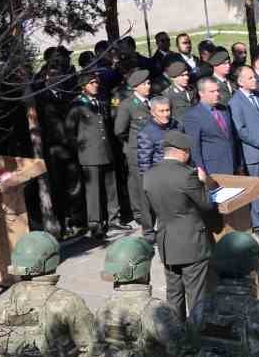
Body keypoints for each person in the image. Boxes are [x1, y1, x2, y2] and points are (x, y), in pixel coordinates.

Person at [142, 130, 221, 319]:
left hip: (167, 242)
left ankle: (175, 336)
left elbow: (146, 211)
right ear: (182, 152)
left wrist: (149, 233)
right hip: (191, 242)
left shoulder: (149, 175)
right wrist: (203, 182)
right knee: (196, 296)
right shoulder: (188, 175)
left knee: (174, 293)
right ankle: (195, 338)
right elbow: (207, 205)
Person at [66, 73, 125, 239]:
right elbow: (70, 131)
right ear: (84, 86)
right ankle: (95, 224)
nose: (95, 85)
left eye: (97, 82)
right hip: (89, 155)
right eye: (92, 83)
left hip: (106, 151)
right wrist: (79, 151)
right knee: (93, 192)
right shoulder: (77, 105)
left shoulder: (99, 101)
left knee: (111, 188)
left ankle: (114, 219)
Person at [229, 64, 259, 239]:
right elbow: (241, 131)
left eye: (253, 77)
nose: (254, 80)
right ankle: (258, 224)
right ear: (240, 82)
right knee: (257, 191)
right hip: (254, 153)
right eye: (249, 78)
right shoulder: (235, 102)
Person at [114, 68, 155, 232]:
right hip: (137, 152)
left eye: (149, 82)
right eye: (145, 84)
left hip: (154, 151)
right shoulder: (127, 105)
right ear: (136, 86)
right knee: (142, 188)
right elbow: (119, 131)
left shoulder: (153, 101)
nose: (149, 86)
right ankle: (146, 224)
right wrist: (133, 143)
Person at [181, 76, 239, 180]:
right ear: (201, 93)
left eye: (217, 90)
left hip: (233, 166)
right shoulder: (193, 116)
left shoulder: (224, 110)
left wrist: (240, 164)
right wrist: (200, 169)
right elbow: (194, 147)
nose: (217, 94)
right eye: (212, 91)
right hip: (212, 169)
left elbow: (232, 138)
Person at [163, 58, 196, 128]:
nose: (186, 78)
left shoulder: (192, 90)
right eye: (182, 75)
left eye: (186, 74)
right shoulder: (168, 95)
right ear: (173, 78)